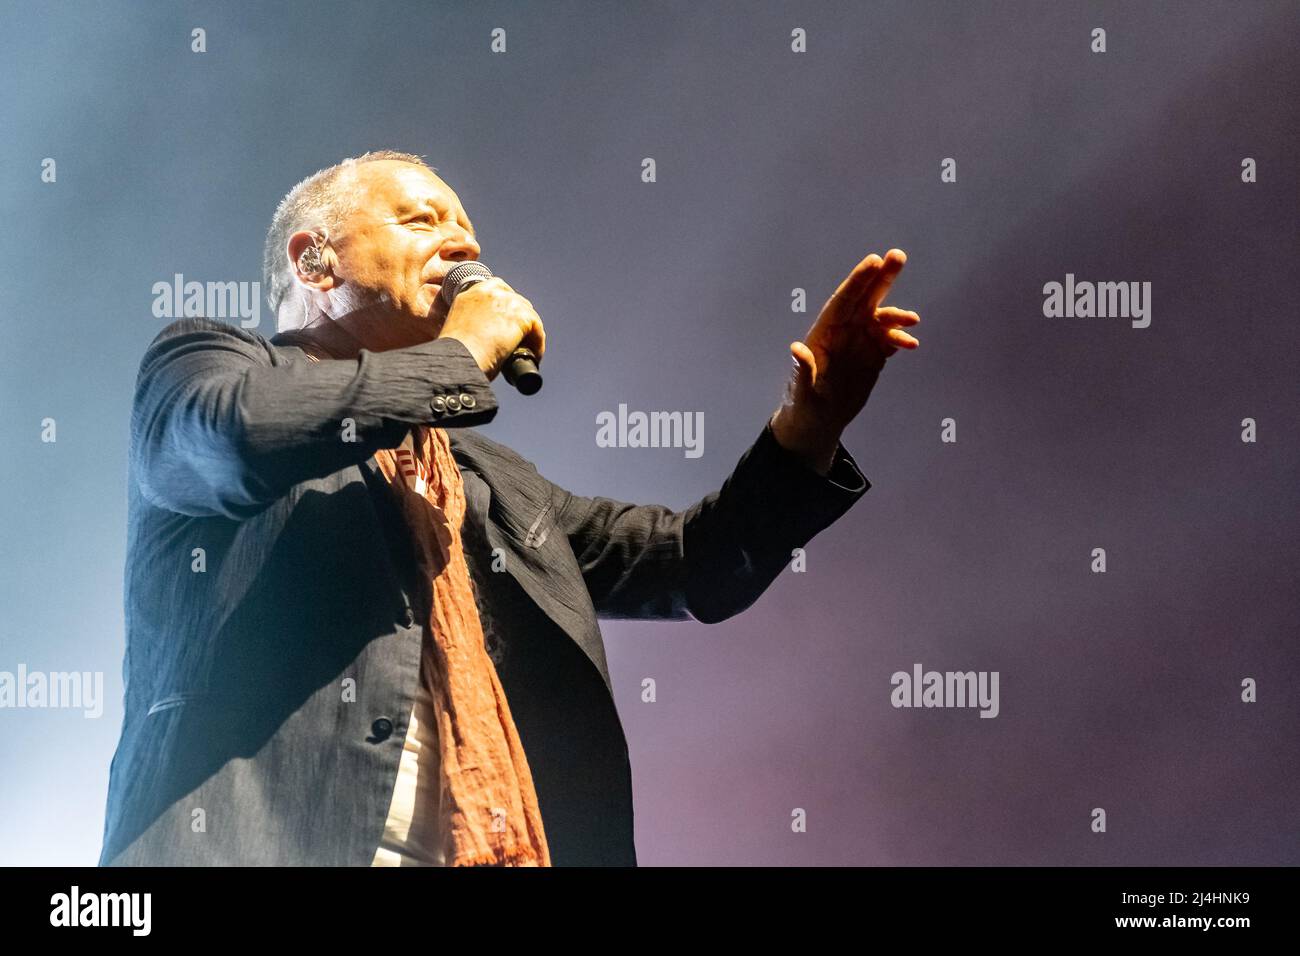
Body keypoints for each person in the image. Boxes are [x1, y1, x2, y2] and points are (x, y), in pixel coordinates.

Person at [97, 150, 921, 867]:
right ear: (314, 263)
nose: (465, 245)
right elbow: (240, 436)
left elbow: (696, 562)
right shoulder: (203, 364)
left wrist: (810, 424)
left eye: (466, 230)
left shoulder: (488, 485)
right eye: (422, 221)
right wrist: (457, 356)